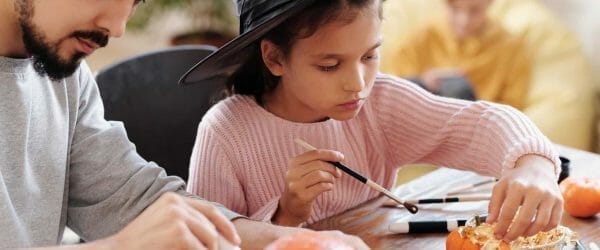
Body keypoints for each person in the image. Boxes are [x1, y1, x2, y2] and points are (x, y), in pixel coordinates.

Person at [183, 0, 564, 243]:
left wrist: (533, 166)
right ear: (274, 59)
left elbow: (480, 123)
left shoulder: (380, 103)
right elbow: (208, 238)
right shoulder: (226, 132)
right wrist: (287, 212)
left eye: (369, 56)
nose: (358, 83)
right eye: (329, 65)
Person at [0, 0, 368, 249]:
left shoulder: (65, 78)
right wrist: (124, 246)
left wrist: (280, 242)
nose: (117, 26)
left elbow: (130, 200)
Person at [382, 0, 531, 110]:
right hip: (424, 117)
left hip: (478, 126)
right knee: (415, 85)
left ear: (489, 4)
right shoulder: (421, 38)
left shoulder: (511, 47)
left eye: (474, 10)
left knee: (456, 88)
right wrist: (427, 81)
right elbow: (395, 90)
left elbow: (513, 108)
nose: (463, 20)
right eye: (454, 9)